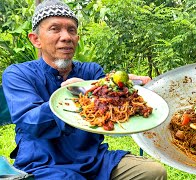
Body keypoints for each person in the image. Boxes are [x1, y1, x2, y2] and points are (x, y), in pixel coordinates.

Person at [1, 0, 167, 179]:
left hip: (94, 160)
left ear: (77, 39)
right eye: (55, 29)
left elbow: (111, 103)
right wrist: (76, 96)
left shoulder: (91, 71)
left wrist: (127, 89)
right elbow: (31, 123)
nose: (66, 37)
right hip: (44, 164)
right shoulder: (18, 74)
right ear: (36, 39)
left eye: (71, 30)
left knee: (153, 172)